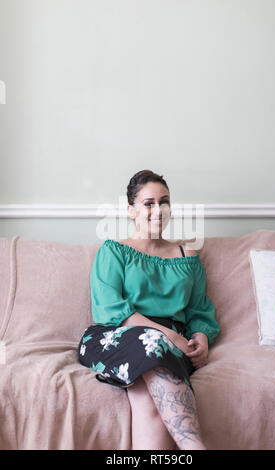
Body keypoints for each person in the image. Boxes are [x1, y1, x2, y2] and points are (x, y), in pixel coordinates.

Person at [78, 169, 220, 450]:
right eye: (149, 203)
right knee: (154, 342)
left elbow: (199, 310)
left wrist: (201, 338)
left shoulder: (187, 256)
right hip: (116, 336)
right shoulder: (113, 251)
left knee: (152, 410)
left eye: (164, 202)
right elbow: (109, 308)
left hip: (169, 346)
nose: (159, 210)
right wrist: (169, 336)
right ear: (131, 211)